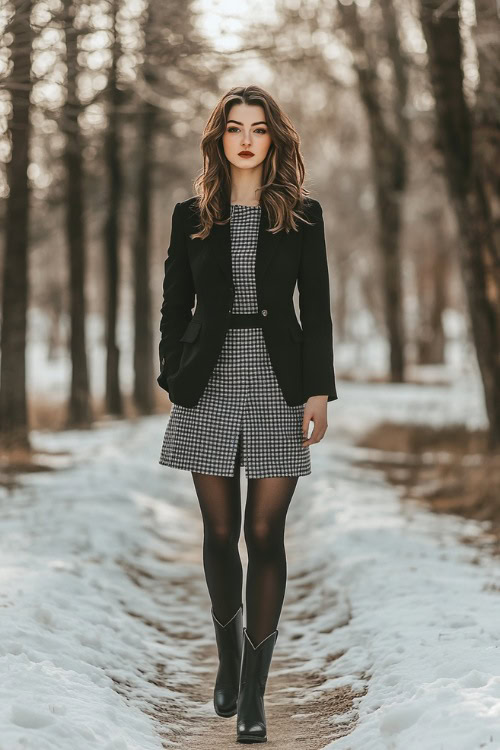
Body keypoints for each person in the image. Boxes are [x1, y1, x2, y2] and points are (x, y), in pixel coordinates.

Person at [157, 85, 338, 743]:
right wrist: (171, 374)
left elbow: (314, 312)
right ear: (219, 139)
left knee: (264, 535)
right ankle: (228, 657)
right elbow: (173, 306)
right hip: (207, 381)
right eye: (234, 128)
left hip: (277, 379)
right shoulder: (192, 213)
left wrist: (317, 391)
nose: (245, 139)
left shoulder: (302, 215)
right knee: (217, 530)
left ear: (273, 139)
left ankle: (256, 695)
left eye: (258, 129)